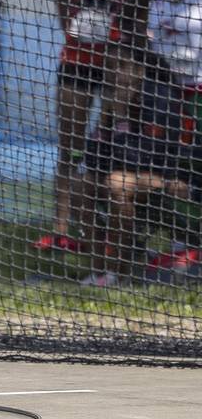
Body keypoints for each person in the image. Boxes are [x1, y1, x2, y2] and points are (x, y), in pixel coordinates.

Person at [34, 0, 152, 252]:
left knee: (114, 144)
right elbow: (63, 15)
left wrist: (126, 25)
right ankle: (62, 229)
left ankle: (115, 228)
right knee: (69, 147)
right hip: (77, 61)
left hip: (116, 64)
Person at [79, 52, 192, 286]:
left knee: (116, 183)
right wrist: (108, 120)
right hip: (124, 173)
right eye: (111, 67)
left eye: (121, 65)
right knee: (82, 184)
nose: (115, 72)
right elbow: (92, 156)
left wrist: (120, 117)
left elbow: (145, 156)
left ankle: (120, 273)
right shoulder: (113, 100)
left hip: (167, 177)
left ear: (139, 71)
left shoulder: (159, 100)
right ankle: (99, 271)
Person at [146, 0, 202, 270]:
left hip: (197, 93)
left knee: (194, 169)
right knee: (164, 169)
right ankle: (174, 241)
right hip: (162, 94)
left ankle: (193, 242)